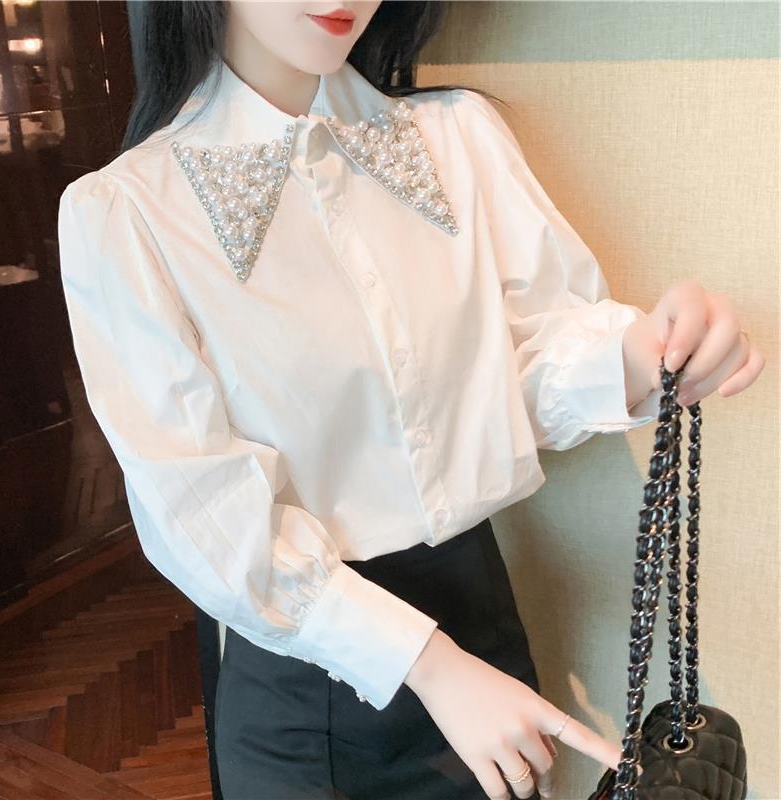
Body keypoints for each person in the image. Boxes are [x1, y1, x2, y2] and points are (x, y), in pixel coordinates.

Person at [55, 2, 764, 799]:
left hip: (484, 629)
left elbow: (511, 379)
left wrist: (647, 357)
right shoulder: (125, 212)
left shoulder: (458, 137)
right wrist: (427, 663)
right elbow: (203, 513)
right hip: (312, 691)